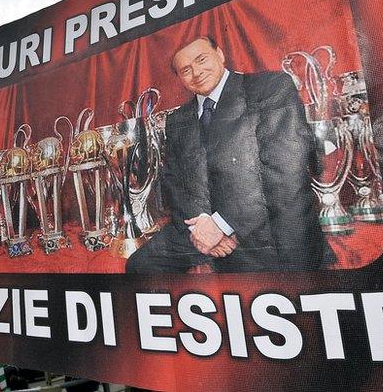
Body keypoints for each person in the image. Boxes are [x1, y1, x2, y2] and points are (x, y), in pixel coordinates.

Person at [126, 35, 325, 273]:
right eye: (186, 69)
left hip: (268, 226)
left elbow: (284, 170)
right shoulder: (177, 119)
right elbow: (174, 182)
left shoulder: (270, 88)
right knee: (140, 265)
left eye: (201, 59)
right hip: (198, 227)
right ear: (179, 77)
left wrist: (222, 226)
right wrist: (199, 228)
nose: (197, 72)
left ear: (219, 54)